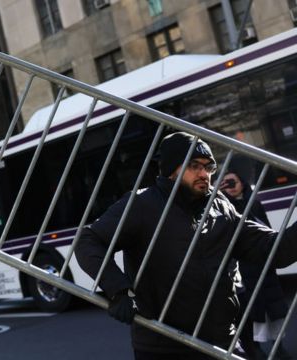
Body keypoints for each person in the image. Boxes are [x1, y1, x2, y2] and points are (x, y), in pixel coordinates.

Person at [75, 132, 297, 359]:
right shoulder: (142, 204)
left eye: (209, 167)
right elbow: (88, 240)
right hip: (164, 345)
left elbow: (271, 249)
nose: (204, 174)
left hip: (222, 342)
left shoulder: (220, 206)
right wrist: (118, 289)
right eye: (194, 165)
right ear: (172, 170)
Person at [220, 168, 291, 360]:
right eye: (226, 183)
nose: (230, 187)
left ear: (242, 182)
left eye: (233, 181)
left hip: (262, 263)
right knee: (252, 310)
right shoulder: (224, 208)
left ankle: (279, 348)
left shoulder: (255, 204)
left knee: (274, 309)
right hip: (242, 266)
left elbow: (268, 231)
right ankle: (256, 349)